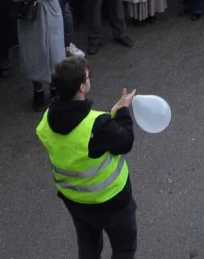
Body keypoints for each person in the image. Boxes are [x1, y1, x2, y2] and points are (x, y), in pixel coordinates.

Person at [35, 56, 138, 259]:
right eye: (88, 77)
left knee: (88, 247)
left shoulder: (47, 119)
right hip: (111, 200)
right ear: (82, 87)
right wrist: (122, 112)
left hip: (74, 199)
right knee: (124, 248)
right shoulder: (97, 124)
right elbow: (125, 142)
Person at [9, 0, 67, 111]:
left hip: (50, 13)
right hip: (30, 16)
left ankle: (55, 89)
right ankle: (38, 91)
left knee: (55, 54)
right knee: (33, 54)